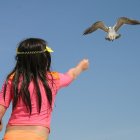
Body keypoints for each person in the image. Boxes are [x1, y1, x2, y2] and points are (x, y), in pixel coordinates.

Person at [0, 38, 89, 140]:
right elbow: (71, 75)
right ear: (44, 58)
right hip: (37, 135)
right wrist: (81, 67)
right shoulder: (52, 79)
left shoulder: (13, 79)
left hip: (11, 135)